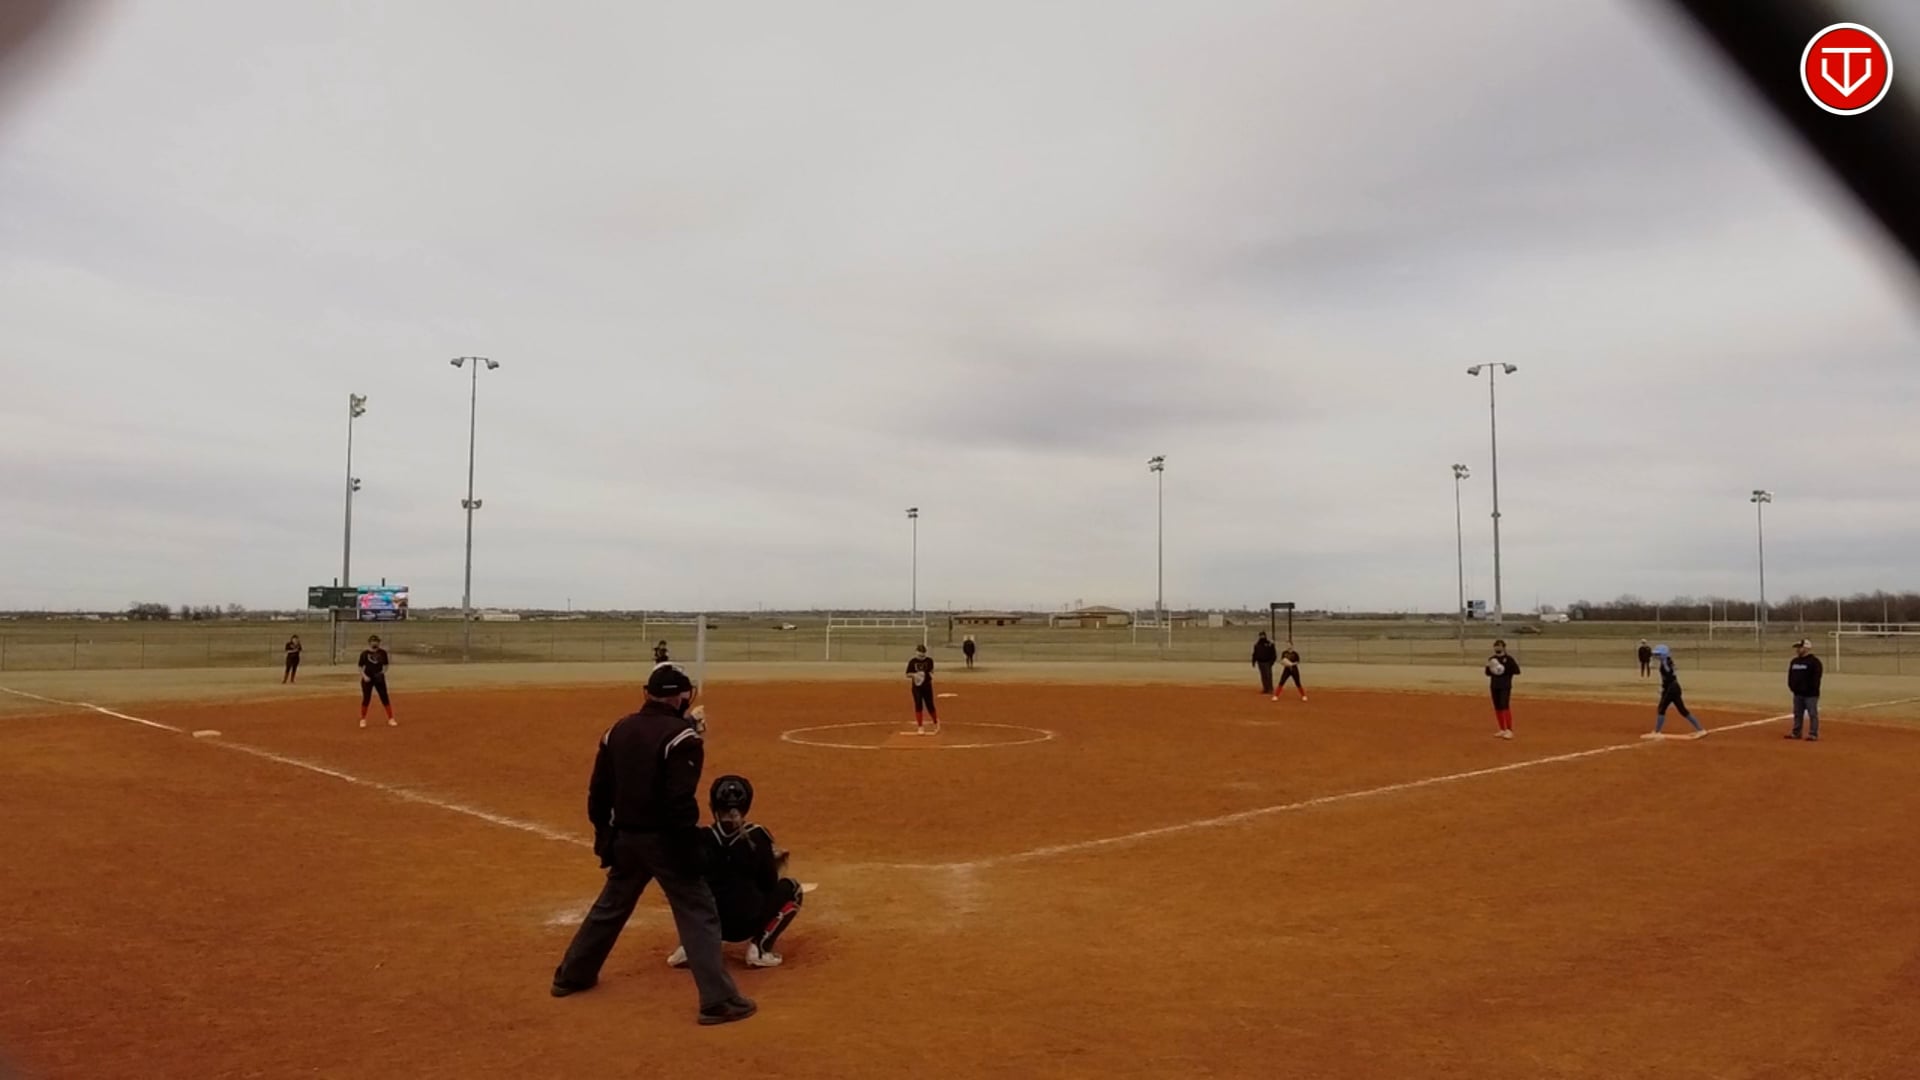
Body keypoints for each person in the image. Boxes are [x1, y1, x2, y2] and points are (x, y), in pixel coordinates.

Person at [550, 663, 756, 1026]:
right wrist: (690, 848)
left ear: (648, 693)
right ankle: (718, 1000)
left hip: (626, 837)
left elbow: (599, 792)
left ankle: (573, 975)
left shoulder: (617, 730)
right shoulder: (683, 739)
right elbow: (679, 801)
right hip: (665, 840)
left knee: (611, 906)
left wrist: (604, 835)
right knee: (699, 910)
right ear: (681, 696)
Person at [667, 775, 802, 971]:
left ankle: (690, 946)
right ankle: (760, 948)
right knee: (793, 889)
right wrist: (773, 862)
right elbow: (768, 883)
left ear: (713, 804)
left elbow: (688, 879)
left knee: (687, 890)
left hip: (709, 922)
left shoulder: (702, 837)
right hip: (746, 923)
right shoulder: (758, 835)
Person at [1645, 644, 1707, 739]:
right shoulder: (1668, 661)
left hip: (1671, 688)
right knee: (1682, 710)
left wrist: (1664, 688)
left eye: (1659, 654)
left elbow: (1668, 675)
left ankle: (1657, 732)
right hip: (1674, 687)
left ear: (1664, 654)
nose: (1657, 656)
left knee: (1662, 708)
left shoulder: (1665, 663)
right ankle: (1700, 730)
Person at [1786, 638, 1824, 741]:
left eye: (1800, 647)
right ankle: (1796, 732)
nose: (1797, 650)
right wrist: (1792, 687)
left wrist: (1810, 689)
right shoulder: (1794, 661)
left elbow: (1816, 678)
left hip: (1810, 694)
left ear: (1806, 648)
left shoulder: (1814, 662)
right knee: (1797, 714)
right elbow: (1790, 676)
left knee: (1812, 714)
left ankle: (1813, 734)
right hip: (1798, 694)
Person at [1485, 639, 1520, 739]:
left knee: (1505, 706)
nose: (1497, 648)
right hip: (1494, 685)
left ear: (1503, 647)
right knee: (1498, 707)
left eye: (1499, 646)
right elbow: (1487, 673)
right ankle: (1502, 729)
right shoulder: (1492, 659)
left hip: (1505, 686)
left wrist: (1504, 669)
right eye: (1496, 646)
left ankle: (1509, 730)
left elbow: (1517, 671)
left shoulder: (1509, 659)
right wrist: (1488, 667)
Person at [357, 634, 394, 728]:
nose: (375, 643)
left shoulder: (383, 653)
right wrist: (364, 676)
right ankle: (363, 719)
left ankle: (391, 718)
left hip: (379, 678)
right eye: (373, 641)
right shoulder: (364, 654)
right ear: (369, 643)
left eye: (376, 641)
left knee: (384, 697)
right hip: (368, 678)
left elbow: (385, 665)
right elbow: (360, 667)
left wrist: (382, 673)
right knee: (366, 698)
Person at [906, 644, 939, 734]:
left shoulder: (929, 661)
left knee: (930, 705)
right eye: (919, 655)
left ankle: (935, 722)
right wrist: (915, 675)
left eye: (922, 656)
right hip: (917, 687)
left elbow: (931, 671)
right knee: (918, 704)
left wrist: (925, 675)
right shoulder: (912, 662)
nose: (921, 657)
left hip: (927, 685)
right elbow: (908, 674)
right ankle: (920, 726)